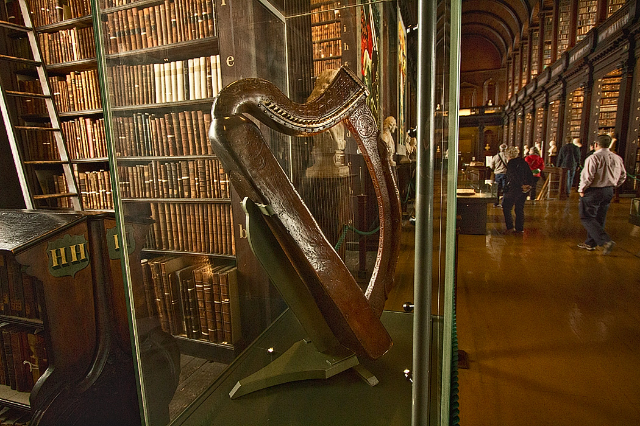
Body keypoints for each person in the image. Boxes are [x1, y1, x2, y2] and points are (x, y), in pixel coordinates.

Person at [577, 134, 626, 254]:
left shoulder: (593, 158)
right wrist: (613, 185)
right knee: (600, 217)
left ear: (596, 144)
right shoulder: (617, 158)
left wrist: (581, 189)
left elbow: (588, 177)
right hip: (608, 191)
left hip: (593, 191)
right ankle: (590, 243)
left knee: (587, 217)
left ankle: (605, 241)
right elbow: (623, 175)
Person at [502, 146, 534, 233]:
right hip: (524, 190)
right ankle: (519, 228)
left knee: (506, 207)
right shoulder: (523, 162)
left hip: (514, 188)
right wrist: (528, 185)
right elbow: (530, 175)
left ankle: (510, 227)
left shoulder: (511, 163)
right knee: (519, 208)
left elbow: (513, 176)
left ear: (508, 155)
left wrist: (521, 185)